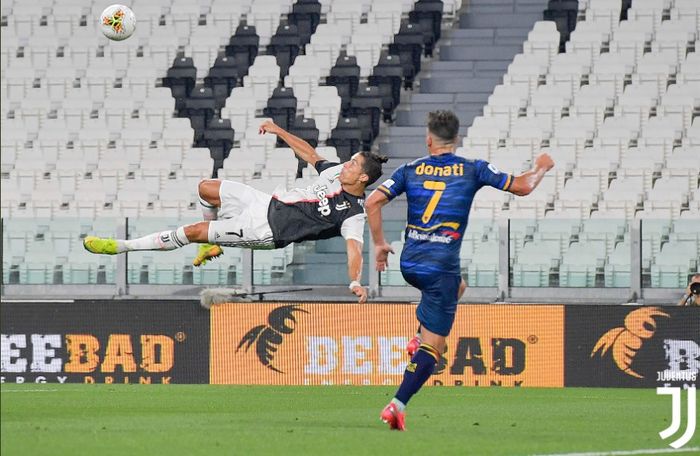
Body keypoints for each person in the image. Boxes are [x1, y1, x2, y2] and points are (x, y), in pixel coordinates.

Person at [365, 110, 554, 430]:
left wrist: (380, 244)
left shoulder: (410, 169)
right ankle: (396, 405)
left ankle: (416, 337)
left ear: (428, 139)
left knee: (458, 287)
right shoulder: (472, 168)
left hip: (409, 263)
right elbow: (523, 187)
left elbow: (372, 202)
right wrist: (541, 166)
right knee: (433, 349)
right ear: (456, 140)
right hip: (440, 268)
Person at [83, 119, 388, 303]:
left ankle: (121, 247)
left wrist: (354, 282)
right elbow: (309, 154)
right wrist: (278, 130)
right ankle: (209, 244)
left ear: (362, 177)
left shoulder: (353, 213)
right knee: (206, 188)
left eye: (352, 165)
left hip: (267, 231)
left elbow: (354, 250)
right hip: (265, 202)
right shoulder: (335, 172)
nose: (345, 164)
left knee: (191, 231)